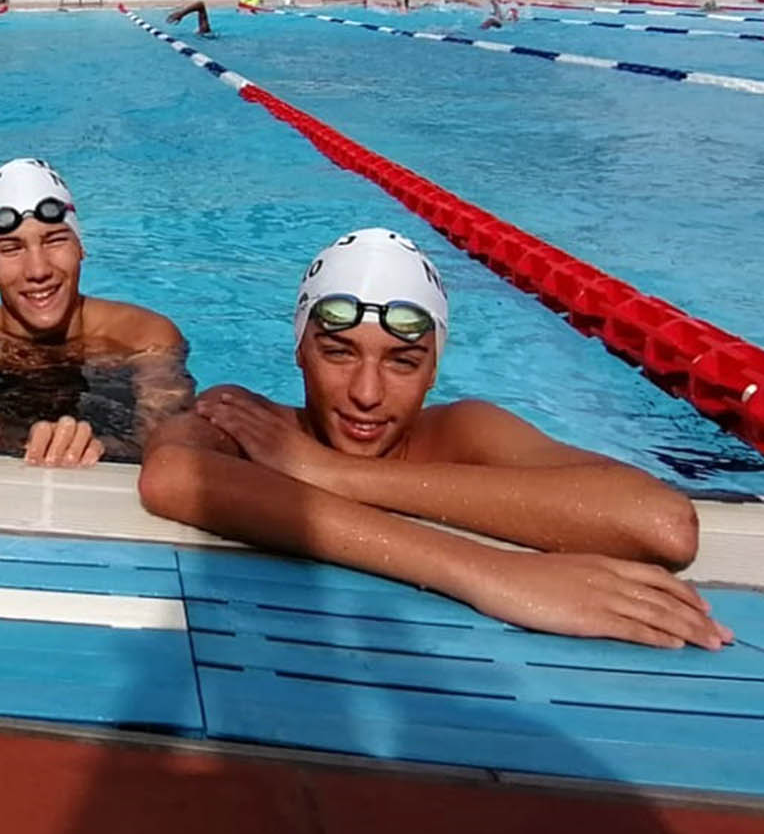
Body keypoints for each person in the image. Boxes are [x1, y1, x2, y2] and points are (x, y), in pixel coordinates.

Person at [137, 228, 727, 651]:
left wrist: (332, 472)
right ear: (298, 351)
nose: (366, 393)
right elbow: (173, 474)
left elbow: (664, 525)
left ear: (435, 369)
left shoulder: (464, 431)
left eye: (403, 361)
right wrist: (488, 572)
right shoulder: (254, 421)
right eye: (338, 353)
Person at [0, 158, 195, 467]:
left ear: (81, 248)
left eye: (54, 241)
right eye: (11, 248)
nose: (38, 270)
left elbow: (166, 439)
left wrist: (98, 447)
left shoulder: (144, 338)